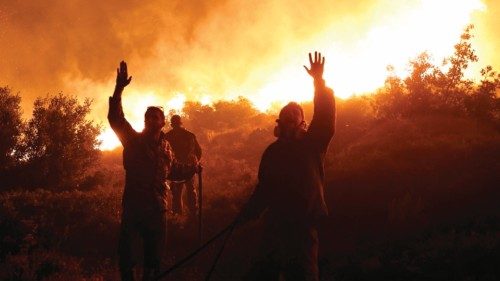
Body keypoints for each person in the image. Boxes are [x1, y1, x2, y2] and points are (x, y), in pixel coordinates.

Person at [238, 52, 336, 281]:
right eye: (286, 114)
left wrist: (318, 82)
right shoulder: (272, 153)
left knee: (303, 275)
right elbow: (264, 190)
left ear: (303, 122)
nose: (291, 115)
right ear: (279, 123)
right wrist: (247, 213)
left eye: (296, 113)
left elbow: (324, 117)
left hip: (303, 226)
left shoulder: (313, 144)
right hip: (275, 225)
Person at [108, 61, 175, 281]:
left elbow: (173, 171)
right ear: (144, 121)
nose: (151, 119)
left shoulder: (166, 148)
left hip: (157, 209)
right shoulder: (134, 141)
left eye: (156, 117)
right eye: (148, 116)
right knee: (127, 256)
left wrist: (193, 168)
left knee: (154, 259)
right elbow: (116, 118)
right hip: (135, 207)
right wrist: (119, 89)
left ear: (163, 122)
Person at [165, 115, 202, 220]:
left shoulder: (168, 136)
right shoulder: (189, 135)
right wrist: (195, 164)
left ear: (172, 124)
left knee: (179, 192)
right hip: (183, 169)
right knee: (187, 191)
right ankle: (191, 215)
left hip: (177, 170)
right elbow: (198, 152)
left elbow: (198, 152)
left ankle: (179, 217)